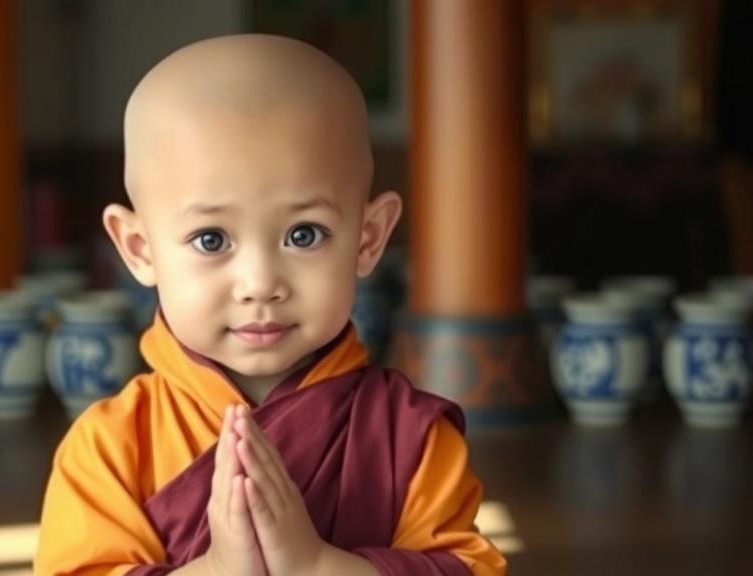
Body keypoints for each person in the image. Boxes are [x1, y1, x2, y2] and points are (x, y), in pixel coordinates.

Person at [35, 34, 507, 576]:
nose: (260, 283)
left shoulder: (411, 438)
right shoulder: (111, 450)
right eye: (212, 239)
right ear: (138, 248)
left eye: (304, 234)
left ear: (369, 237)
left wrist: (316, 567)